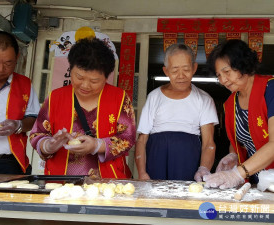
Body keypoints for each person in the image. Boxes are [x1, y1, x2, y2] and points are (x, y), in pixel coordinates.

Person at [29, 38, 136, 178]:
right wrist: (48, 145)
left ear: (106, 77)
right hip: (61, 181)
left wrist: (97, 145)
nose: (85, 85)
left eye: (94, 81)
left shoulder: (119, 98)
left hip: (107, 181)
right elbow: (37, 134)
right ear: (70, 69)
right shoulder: (55, 97)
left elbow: (128, 137)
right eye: (79, 77)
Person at [135, 44, 219, 181]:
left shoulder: (204, 99)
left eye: (186, 69)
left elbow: (208, 142)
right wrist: (142, 173)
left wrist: (204, 169)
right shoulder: (154, 97)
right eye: (174, 71)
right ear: (166, 71)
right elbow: (142, 140)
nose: (181, 76)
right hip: (156, 156)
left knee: (185, 199)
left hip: (188, 158)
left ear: (194, 68)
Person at [204, 39, 274, 189]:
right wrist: (233, 156)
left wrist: (236, 174)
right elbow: (237, 141)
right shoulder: (231, 103)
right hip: (258, 182)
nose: (223, 80)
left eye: (227, 72)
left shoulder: (270, 89)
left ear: (243, 65)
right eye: (219, 76)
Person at [0, 30, 40, 174]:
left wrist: (19, 125)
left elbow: (34, 118)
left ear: (17, 57)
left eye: (8, 63)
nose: (1, 69)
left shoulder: (24, 83)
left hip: (12, 161)